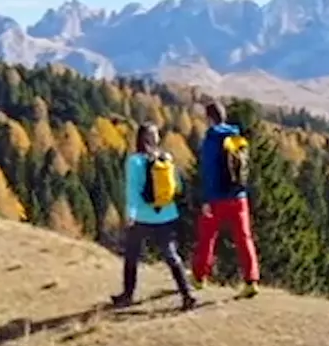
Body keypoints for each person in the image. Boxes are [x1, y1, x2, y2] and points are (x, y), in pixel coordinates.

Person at [111, 122, 198, 311]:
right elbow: (178, 187)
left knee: (132, 255)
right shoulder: (166, 158)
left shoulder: (134, 161)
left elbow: (132, 190)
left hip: (142, 216)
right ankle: (187, 294)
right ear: (155, 139)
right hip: (166, 214)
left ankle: (127, 295)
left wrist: (130, 214)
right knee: (171, 255)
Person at [192, 100, 261, 298]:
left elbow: (209, 172)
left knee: (207, 237)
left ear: (209, 118)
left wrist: (206, 199)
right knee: (244, 238)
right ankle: (251, 280)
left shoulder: (211, 140)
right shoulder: (236, 136)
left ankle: (199, 277)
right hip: (239, 196)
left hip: (216, 198)